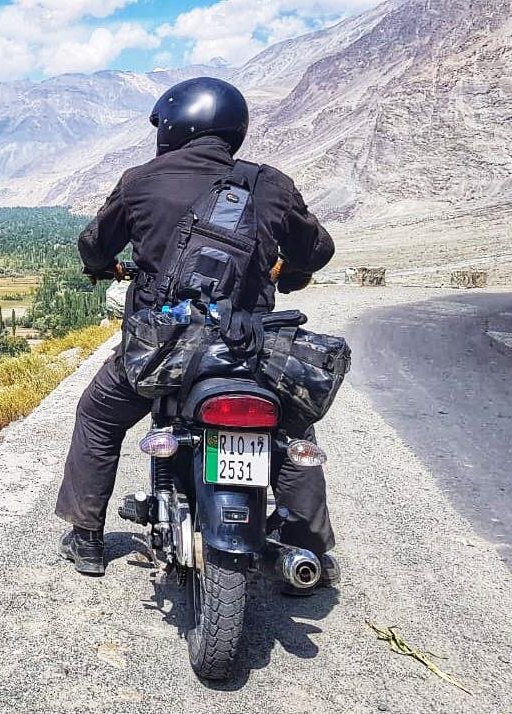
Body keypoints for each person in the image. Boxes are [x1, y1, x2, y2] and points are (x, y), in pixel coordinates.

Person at [56, 77, 338, 589]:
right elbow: (317, 250)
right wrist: (287, 269)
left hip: (165, 351)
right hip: (248, 349)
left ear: (173, 125)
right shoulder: (266, 182)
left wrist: (111, 265)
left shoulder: (139, 180)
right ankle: (311, 545)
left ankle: (87, 537)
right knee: (293, 427)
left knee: (97, 416)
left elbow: (94, 249)